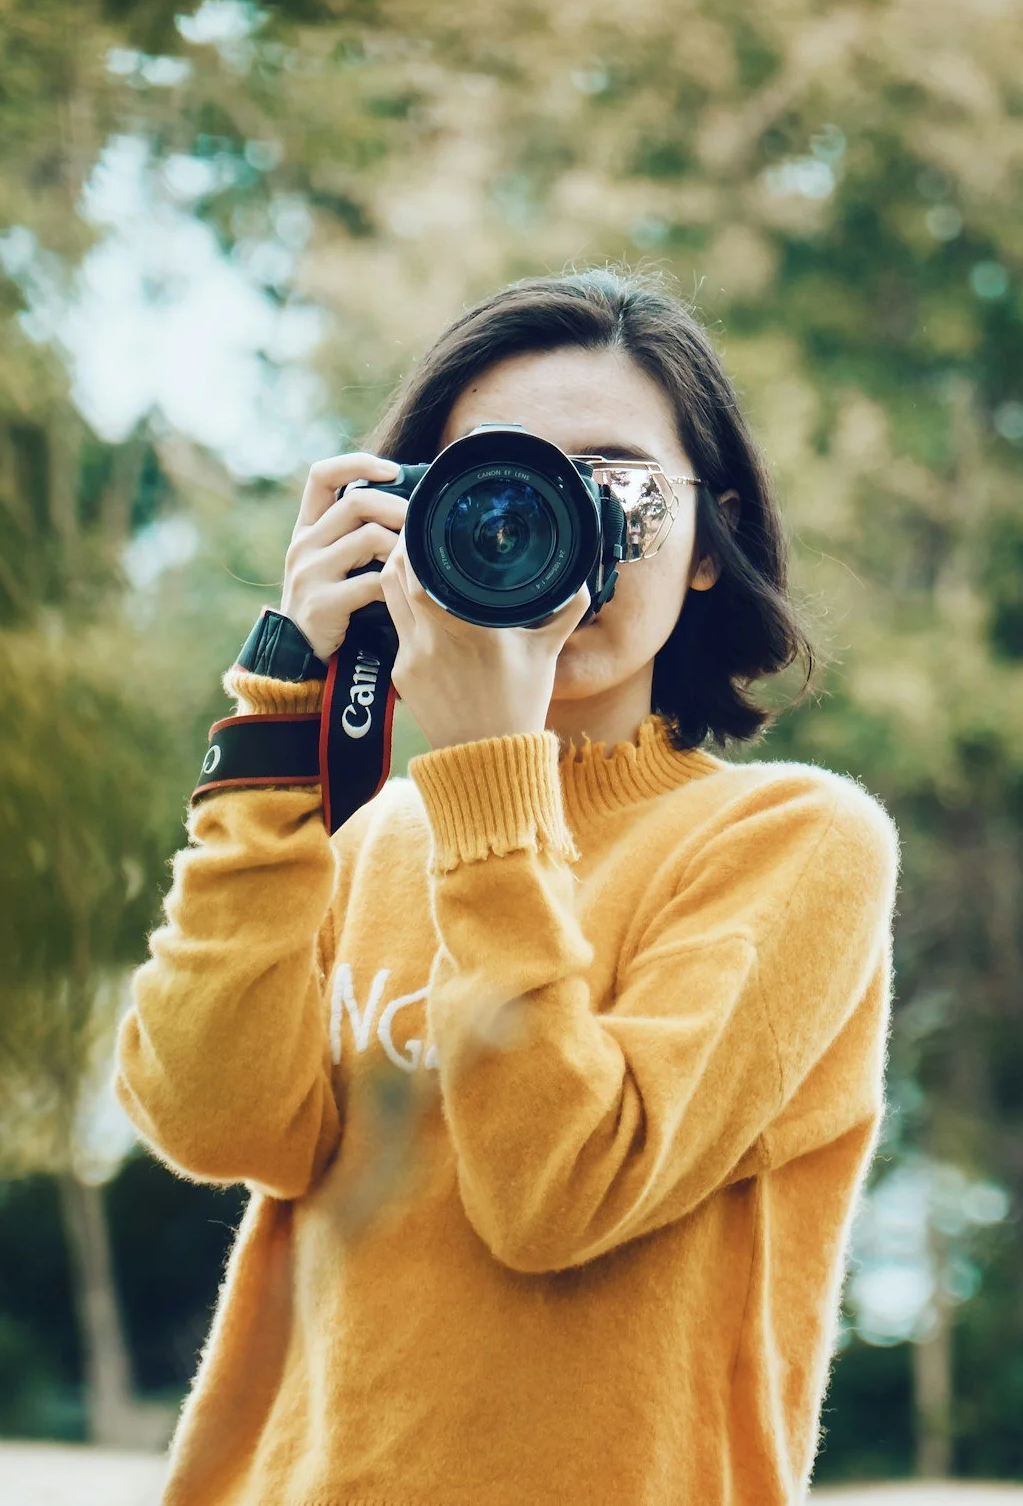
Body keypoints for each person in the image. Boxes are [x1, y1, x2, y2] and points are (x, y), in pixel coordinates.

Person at [116, 270, 898, 1504]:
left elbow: (557, 1193)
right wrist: (281, 702)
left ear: (710, 543)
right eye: (491, 484)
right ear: (407, 520)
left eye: (614, 486)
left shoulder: (793, 843)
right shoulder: (372, 832)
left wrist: (489, 778)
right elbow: (211, 1120)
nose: (547, 526)